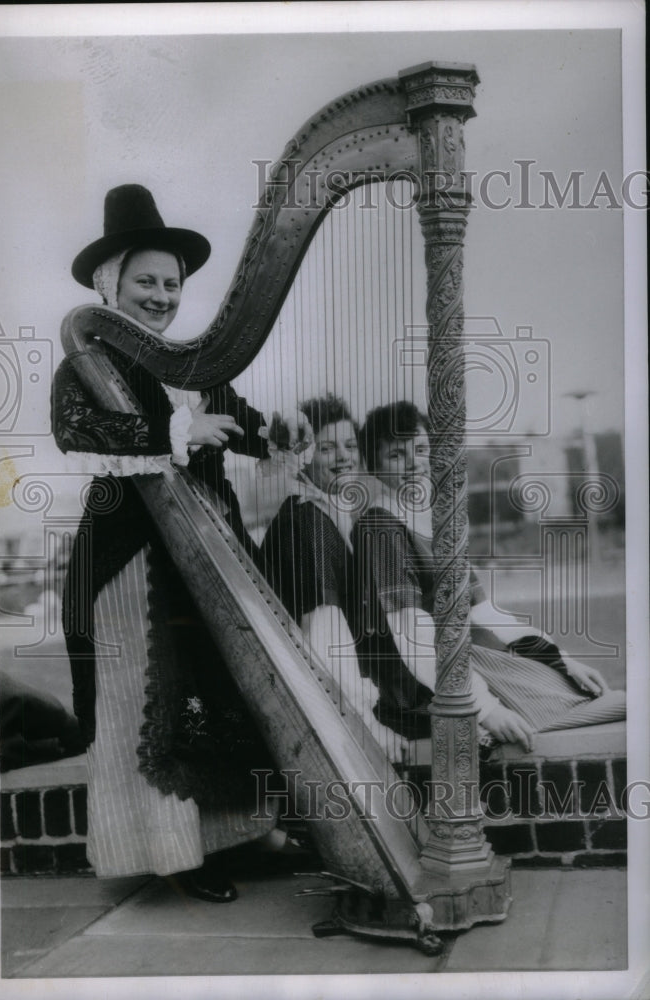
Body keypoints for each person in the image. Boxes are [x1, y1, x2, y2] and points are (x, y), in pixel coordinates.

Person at [52, 184, 300, 903]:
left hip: (205, 555)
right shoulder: (87, 367)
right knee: (152, 703)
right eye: (147, 283)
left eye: (171, 284)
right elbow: (79, 435)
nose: (161, 296)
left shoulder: (195, 368)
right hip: (130, 563)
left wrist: (282, 437)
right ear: (112, 287)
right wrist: (177, 434)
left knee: (220, 695)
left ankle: (237, 839)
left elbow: (249, 429)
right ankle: (177, 853)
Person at [352, 401, 626, 751]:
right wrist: (485, 708)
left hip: (467, 657)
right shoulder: (380, 526)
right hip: (424, 680)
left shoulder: (435, 519)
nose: (413, 464)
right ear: (373, 467)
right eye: (396, 455)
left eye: (421, 450)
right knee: (612, 706)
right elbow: (411, 631)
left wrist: (562, 659)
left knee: (595, 694)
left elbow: (485, 613)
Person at [260, 394, 397, 754]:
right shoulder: (307, 525)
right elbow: (324, 642)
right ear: (303, 457)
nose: (343, 458)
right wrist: (368, 731)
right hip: (345, 721)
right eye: (327, 449)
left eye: (350, 446)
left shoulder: (324, 516)